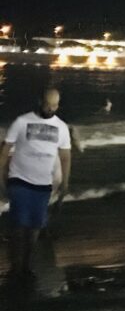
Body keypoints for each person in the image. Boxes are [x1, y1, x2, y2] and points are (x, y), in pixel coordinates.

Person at [1, 88, 72, 278]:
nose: (50, 108)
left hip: (43, 184)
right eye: (48, 104)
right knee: (19, 225)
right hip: (19, 179)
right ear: (40, 101)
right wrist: (1, 176)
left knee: (34, 227)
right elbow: (5, 149)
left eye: (54, 105)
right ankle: (15, 266)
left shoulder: (61, 127)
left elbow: (65, 156)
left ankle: (26, 264)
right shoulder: (22, 122)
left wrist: (65, 183)